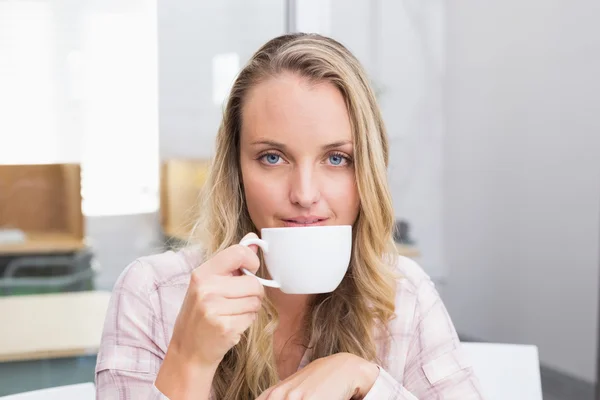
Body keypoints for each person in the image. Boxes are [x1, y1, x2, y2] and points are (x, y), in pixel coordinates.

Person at [95, 33, 485, 399]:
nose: (304, 194)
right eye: (272, 157)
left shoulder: (404, 294)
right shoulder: (153, 294)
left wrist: (364, 378)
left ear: (367, 170)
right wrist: (190, 359)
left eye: (337, 159)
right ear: (237, 170)